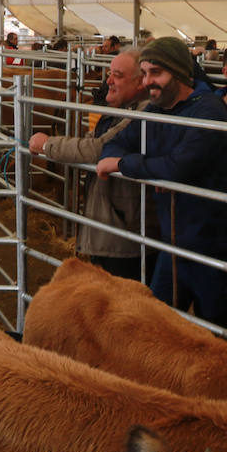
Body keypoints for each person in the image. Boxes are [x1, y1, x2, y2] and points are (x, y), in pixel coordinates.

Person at [97, 37, 227, 328]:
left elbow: (179, 167)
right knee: (155, 326)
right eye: (146, 73)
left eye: (157, 73)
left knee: (216, 333)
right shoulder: (154, 111)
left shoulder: (209, 111)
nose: (148, 81)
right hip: (174, 242)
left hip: (213, 247)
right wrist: (153, 168)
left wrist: (128, 165)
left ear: (178, 73)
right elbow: (112, 145)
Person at [29, 49, 149, 281]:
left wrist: (47, 146)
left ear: (140, 81)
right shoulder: (122, 110)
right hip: (113, 223)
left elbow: (98, 148)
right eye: (109, 74)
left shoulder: (143, 113)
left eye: (118, 75)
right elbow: (95, 141)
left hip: (123, 229)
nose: (108, 81)